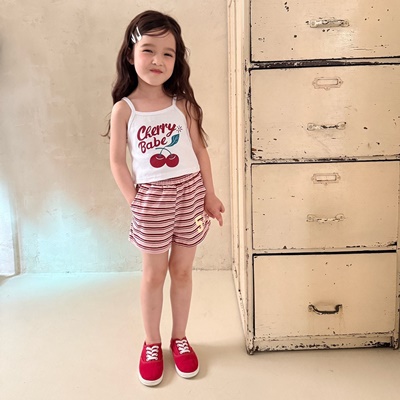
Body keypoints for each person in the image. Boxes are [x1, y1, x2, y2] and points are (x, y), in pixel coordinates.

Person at [107, 10, 225, 387]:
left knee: (183, 271)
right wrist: (135, 202)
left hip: (190, 195)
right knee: (154, 274)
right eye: (148, 50)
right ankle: (152, 343)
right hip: (151, 202)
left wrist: (210, 194)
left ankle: (180, 337)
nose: (158, 60)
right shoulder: (124, 110)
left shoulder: (182, 104)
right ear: (130, 54)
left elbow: (200, 151)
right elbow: (117, 161)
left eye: (168, 53)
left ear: (177, 60)